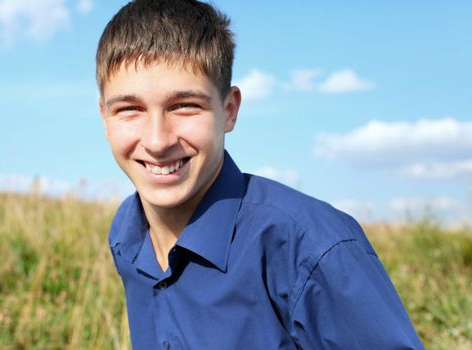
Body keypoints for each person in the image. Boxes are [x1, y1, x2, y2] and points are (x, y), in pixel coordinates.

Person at [97, 0, 424, 348]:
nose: (157, 140)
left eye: (184, 106)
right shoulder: (127, 234)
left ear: (230, 110)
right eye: (130, 109)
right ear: (104, 117)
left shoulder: (310, 248)